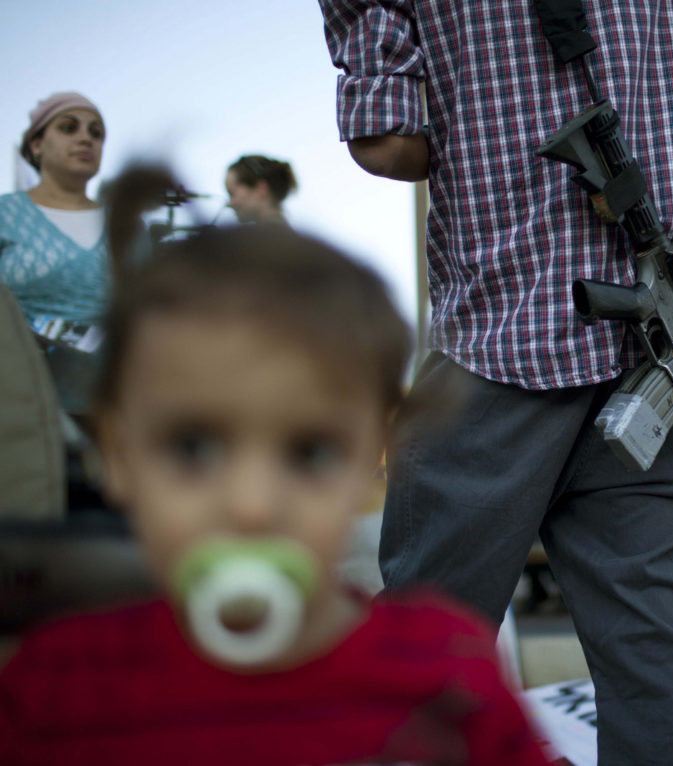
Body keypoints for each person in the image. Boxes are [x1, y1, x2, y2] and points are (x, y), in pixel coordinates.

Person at [320, 3, 673, 763]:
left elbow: (389, 142)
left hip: (513, 320)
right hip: (667, 332)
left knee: (427, 642)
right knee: (655, 649)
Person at [0, 168, 551, 766]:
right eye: (193, 448)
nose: (252, 505)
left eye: (311, 452)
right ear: (118, 454)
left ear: (372, 463)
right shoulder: (56, 687)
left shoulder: (445, 673)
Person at [0, 92, 108, 352]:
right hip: (17, 385)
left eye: (96, 134)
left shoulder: (126, 226)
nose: (85, 138)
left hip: (108, 387)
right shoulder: (6, 214)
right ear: (36, 145)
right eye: (68, 128)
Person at [224, 154, 296, 224]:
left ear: (261, 188)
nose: (229, 204)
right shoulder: (286, 234)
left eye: (232, 194)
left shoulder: (261, 235)